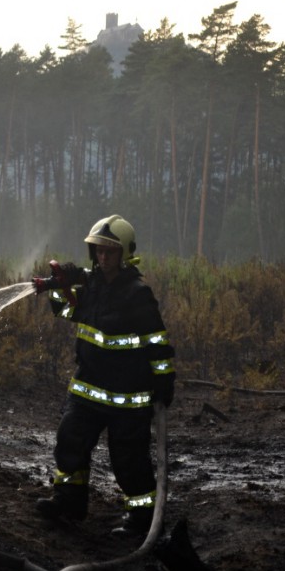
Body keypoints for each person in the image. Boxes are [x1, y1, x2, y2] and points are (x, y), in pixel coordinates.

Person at [32, 214, 175, 537]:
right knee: (70, 440)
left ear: (124, 253)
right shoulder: (92, 286)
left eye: (110, 251)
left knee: (128, 460)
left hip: (128, 397)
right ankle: (69, 502)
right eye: (99, 250)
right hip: (88, 388)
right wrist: (59, 287)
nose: (103, 257)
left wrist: (164, 381)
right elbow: (66, 310)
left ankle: (142, 520)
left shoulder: (137, 293)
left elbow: (157, 341)